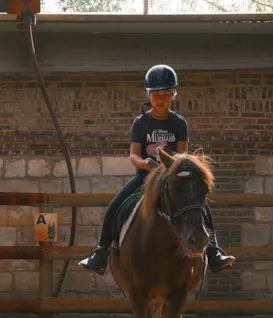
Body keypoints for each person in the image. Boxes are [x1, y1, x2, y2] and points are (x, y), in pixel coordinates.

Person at [78, 64, 235, 275]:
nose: (160, 99)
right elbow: (133, 154)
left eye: (165, 94)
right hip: (144, 176)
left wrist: (168, 168)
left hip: (172, 178)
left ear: (173, 95)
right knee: (115, 206)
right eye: (156, 94)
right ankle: (101, 252)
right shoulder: (141, 123)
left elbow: (182, 156)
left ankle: (214, 252)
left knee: (200, 206)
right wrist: (144, 163)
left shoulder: (179, 123)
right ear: (149, 95)